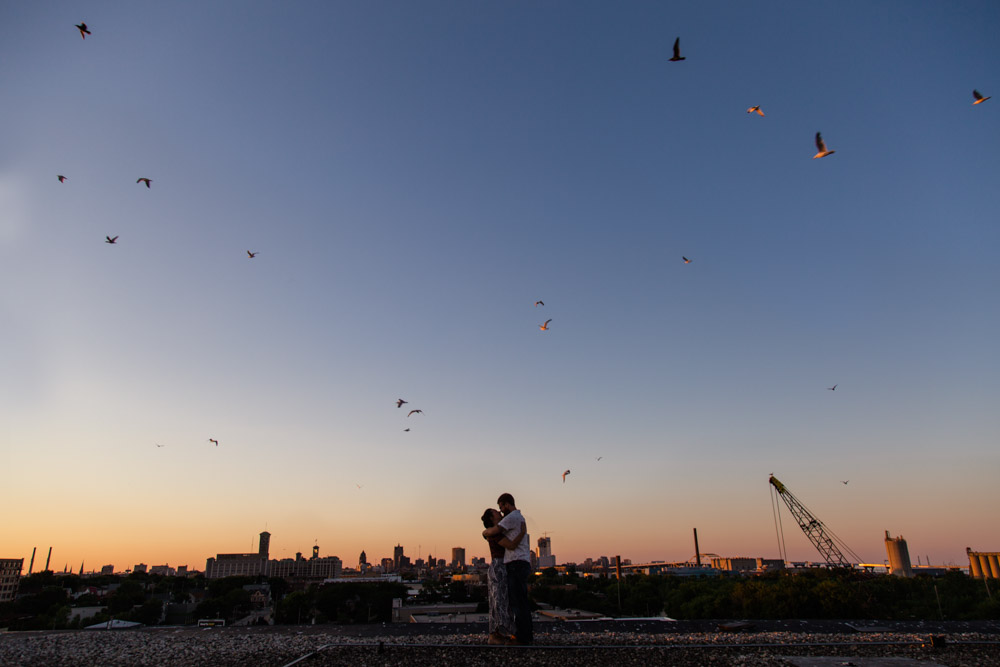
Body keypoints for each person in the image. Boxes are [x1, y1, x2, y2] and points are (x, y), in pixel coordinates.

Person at [482, 492, 532, 645]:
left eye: (501, 507)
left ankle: (508, 634)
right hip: (500, 567)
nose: (500, 511)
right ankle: (498, 634)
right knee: (502, 601)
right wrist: (485, 532)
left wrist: (485, 532)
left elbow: (492, 533)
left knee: (507, 602)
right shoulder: (506, 525)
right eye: (497, 510)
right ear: (492, 518)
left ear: (507, 504)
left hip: (508, 565)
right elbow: (506, 542)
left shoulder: (510, 519)